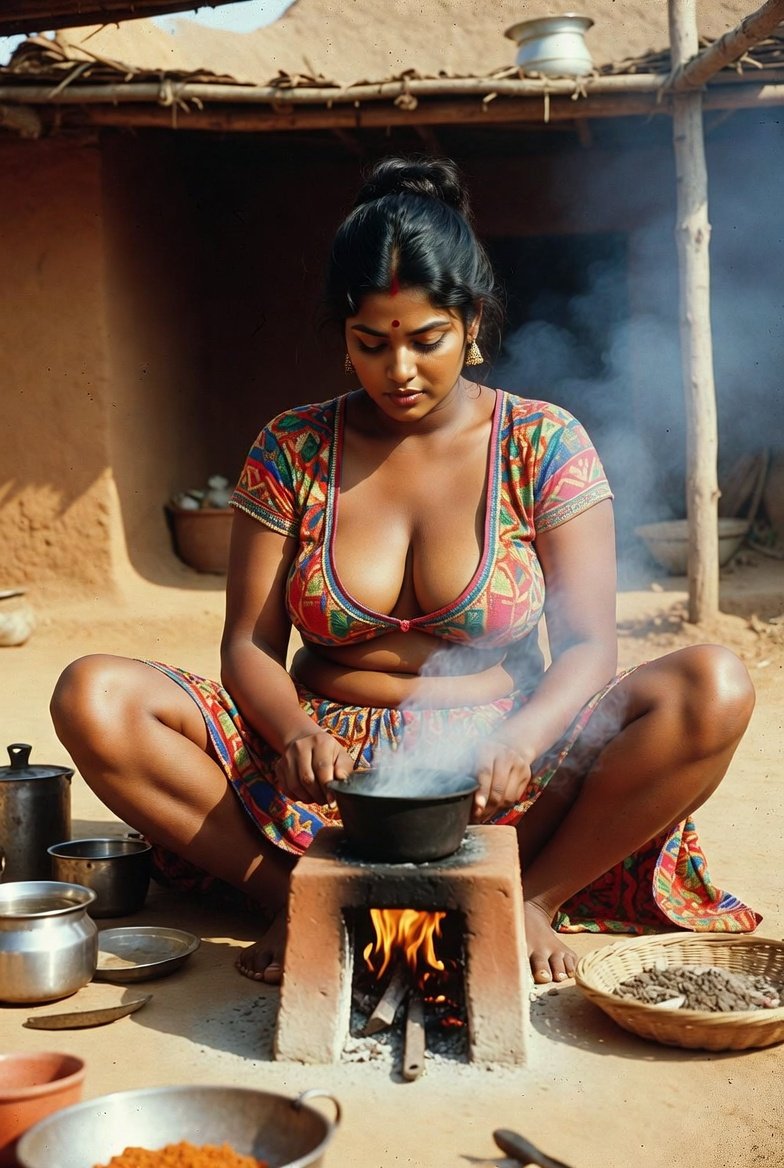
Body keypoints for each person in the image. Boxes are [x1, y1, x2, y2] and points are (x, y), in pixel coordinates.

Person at [50, 156, 760, 988]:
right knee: (92, 695)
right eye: (370, 344)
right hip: (322, 784)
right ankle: (294, 896)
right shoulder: (294, 448)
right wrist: (296, 734)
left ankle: (525, 894)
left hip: (503, 780)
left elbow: (590, 648)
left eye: (428, 340)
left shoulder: (541, 443)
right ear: (341, 335)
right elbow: (247, 644)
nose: (401, 372)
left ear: (473, 321)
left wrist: (522, 741)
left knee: (713, 685)